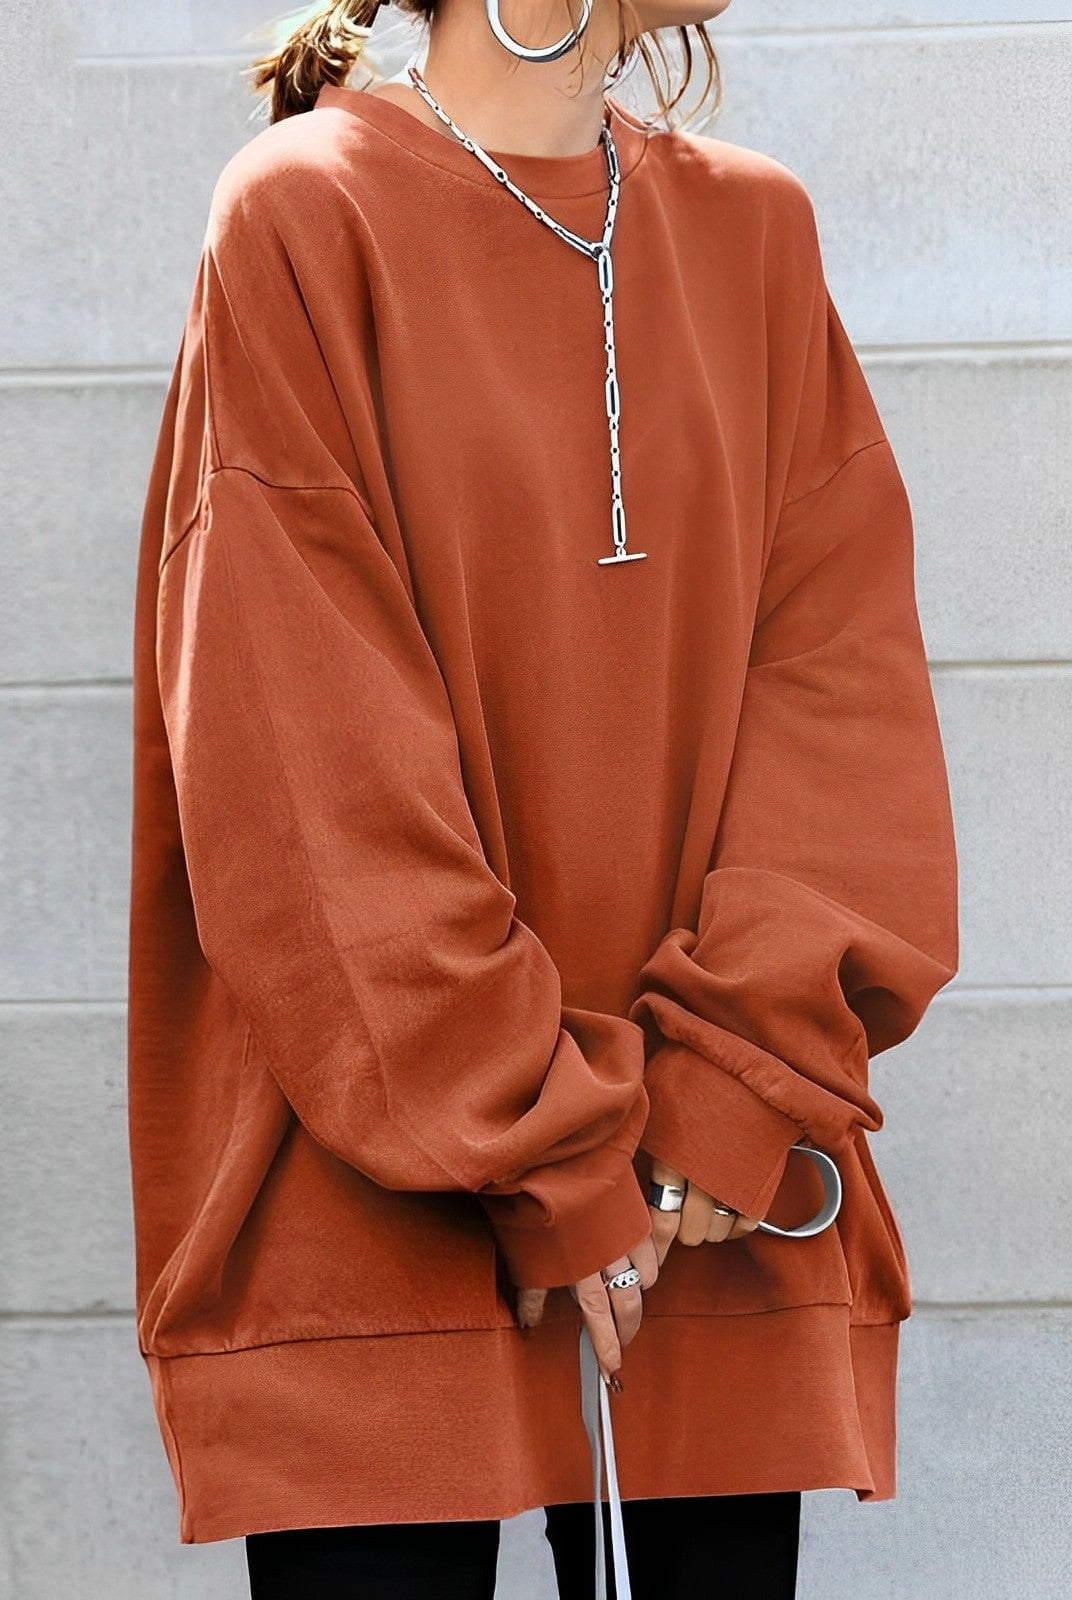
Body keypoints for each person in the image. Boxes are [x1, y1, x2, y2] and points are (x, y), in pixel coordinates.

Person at [126, 0, 959, 1595]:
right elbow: (300, 768)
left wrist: (728, 1095)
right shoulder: (302, 214)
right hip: (376, 1209)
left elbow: (842, 699)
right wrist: (551, 1154)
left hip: (708, 1208)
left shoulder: (756, 229)